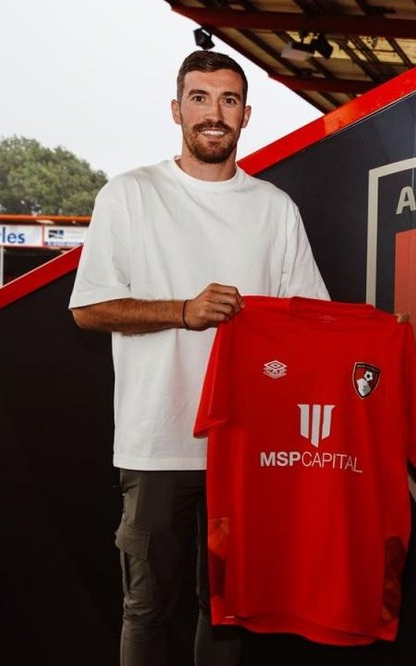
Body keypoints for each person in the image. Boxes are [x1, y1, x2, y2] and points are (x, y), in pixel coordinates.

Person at [68, 50, 329, 666]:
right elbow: (89, 310)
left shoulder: (274, 208)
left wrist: (380, 333)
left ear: (246, 115)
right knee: (146, 609)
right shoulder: (130, 194)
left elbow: (313, 321)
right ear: (177, 108)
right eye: (201, 98)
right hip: (155, 440)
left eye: (229, 100)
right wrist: (183, 311)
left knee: (228, 607)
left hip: (245, 446)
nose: (215, 113)